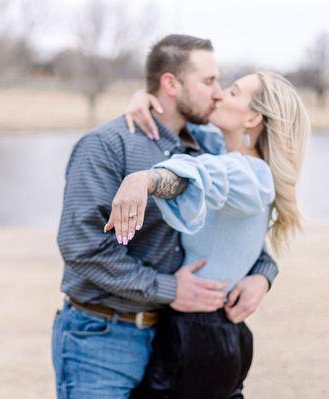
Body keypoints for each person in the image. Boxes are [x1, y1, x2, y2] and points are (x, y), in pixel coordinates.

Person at [52, 34, 278, 399]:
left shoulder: (206, 145)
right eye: (209, 82)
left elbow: (234, 232)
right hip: (101, 338)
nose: (218, 93)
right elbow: (81, 247)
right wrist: (171, 289)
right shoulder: (106, 145)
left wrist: (264, 275)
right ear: (171, 83)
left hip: (170, 339)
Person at [105, 71, 311, 398]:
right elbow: (183, 122)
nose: (218, 95)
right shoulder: (229, 155)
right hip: (213, 335)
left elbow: (198, 173)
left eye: (232, 93)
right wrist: (144, 99)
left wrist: (144, 180)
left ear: (253, 116)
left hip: (198, 337)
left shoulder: (248, 173)